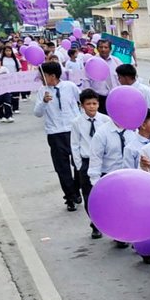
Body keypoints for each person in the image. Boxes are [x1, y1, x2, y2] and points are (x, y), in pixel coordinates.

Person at [33, 62, 82, 211]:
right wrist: (44, 102)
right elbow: (37, 113)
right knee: (62, 168)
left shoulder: (70, 86)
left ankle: (75, 188)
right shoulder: (42, 91)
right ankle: (70, 197)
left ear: (52, 76)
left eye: (43, 75)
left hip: (72, 131)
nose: (41, 78)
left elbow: (80, 102)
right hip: (55, 133)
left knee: (79, 164)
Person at [71, 88, 110, 239]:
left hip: (103, 161)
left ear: (99, 104)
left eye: (94, 103)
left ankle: (109, 222)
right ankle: (95, 224)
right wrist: (79, 164)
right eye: (88, 104)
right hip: (86, 161)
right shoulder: (76, 122)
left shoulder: (105, 120)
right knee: (89, 195)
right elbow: (74, 144)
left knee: (106, 194)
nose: (92, 107)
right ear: (82, 105)